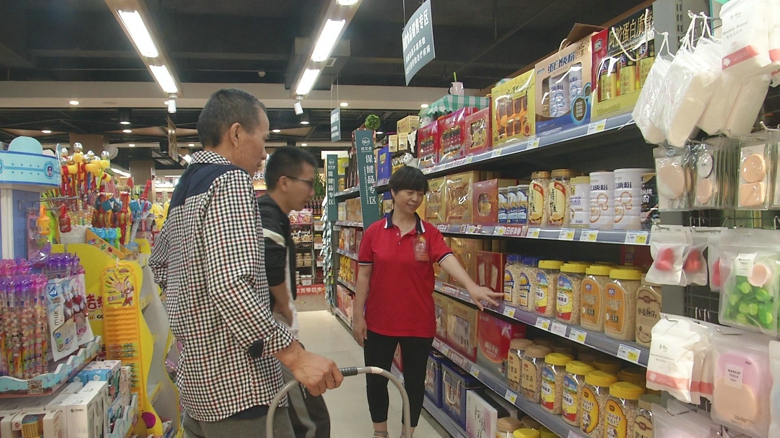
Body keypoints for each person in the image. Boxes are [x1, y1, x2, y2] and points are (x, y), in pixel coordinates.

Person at [149, 88, 343, 438]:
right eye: (263, 138)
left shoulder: (185, 187)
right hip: (239, 386)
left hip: (195, 384)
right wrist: (295, 355)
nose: (265, 153)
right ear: (236, 133)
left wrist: (196, 322)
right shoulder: (231, 181)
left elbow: (160, 265)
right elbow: (230, 285)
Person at [352, 166, 504, 438]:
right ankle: (380, 433)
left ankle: (406, 433)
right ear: (393, 192)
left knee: (413, 383)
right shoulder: (374, 232)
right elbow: (363, 276)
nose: (415, 198)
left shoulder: (429, 233)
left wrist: (471, 287)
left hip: (418, 323)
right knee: (376, 380)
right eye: (409, 191)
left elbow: (446, 258)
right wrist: (357, 315)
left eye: (420, 193)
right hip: (379, 321)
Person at [258, 146, 331, 438]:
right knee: (311, 421)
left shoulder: (275, 214)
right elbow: (271, 263)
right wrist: (284, 304)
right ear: (285, 181)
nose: (312, 191)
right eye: (308, 182)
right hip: (275, 332)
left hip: (278, 333)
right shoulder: (268, 214)